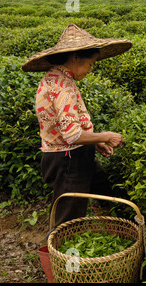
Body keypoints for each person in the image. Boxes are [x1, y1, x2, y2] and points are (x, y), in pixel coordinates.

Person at [22, 23, 132, 228]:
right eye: (90, 64)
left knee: (104, 190)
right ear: (75, 58)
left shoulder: (55, 77)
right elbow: (72, 136)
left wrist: (94, 142)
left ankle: (114, 228)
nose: (90, 70)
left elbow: (72, 129)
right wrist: (106, 136)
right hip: (67, 158)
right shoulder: (63, 87)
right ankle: (59, 257)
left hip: (72, 153)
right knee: (68, 219)